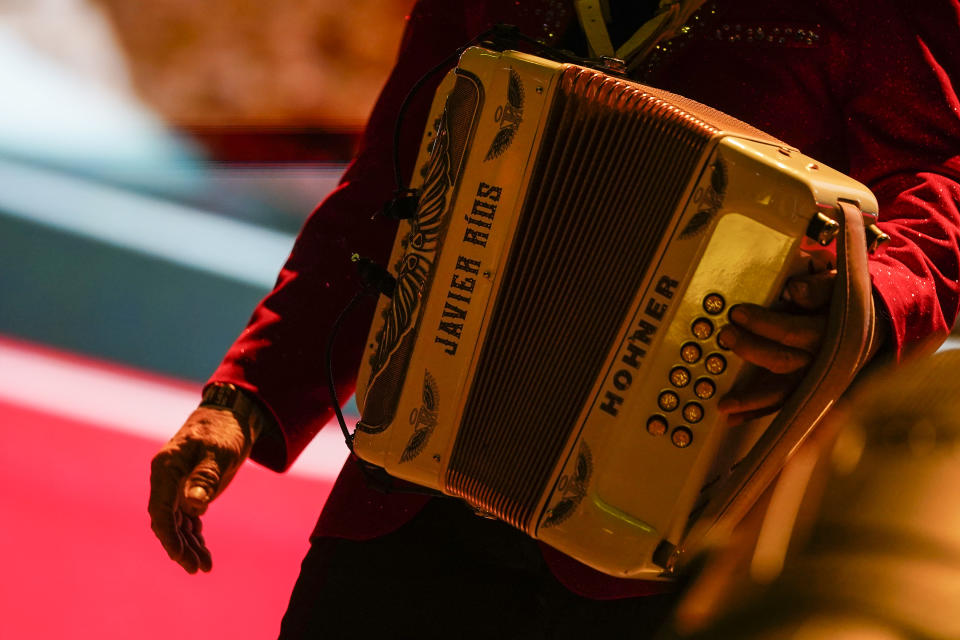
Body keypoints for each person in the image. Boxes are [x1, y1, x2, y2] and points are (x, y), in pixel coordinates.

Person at [148, 1, 960, 637]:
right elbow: (394, 186)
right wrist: (246, 395)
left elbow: (942, 179)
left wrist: (871, 302)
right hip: (415, 493)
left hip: (669, 535)